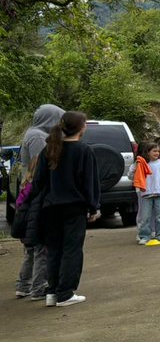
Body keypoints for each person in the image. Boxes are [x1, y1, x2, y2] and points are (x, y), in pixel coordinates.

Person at [27, 111, 100, 307]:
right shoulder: (83, 151)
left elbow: (38, 182)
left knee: (54, 249)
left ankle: (52, 292)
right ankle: (65, 293)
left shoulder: (49, 149)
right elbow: (90, 183)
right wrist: (93, 206)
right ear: (81, 127)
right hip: (74, 207)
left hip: (50, 207)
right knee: (72, 249)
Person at [14, 103, 64, 300]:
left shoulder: (32, 133)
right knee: (41, 247)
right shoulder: (37, 136)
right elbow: (40, 164)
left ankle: (23, 285)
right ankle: (38, 287)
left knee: (31, 246)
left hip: (30, 193)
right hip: (36, 196)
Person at [134, 143, 160, 244]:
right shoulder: (141, 163)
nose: (157, 153)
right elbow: (132, 174)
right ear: (147, 152)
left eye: (158, 151)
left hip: (159, 193)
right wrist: (135, 167)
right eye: (154, 151)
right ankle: (145, 236)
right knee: (145, 217)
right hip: (146, 194)